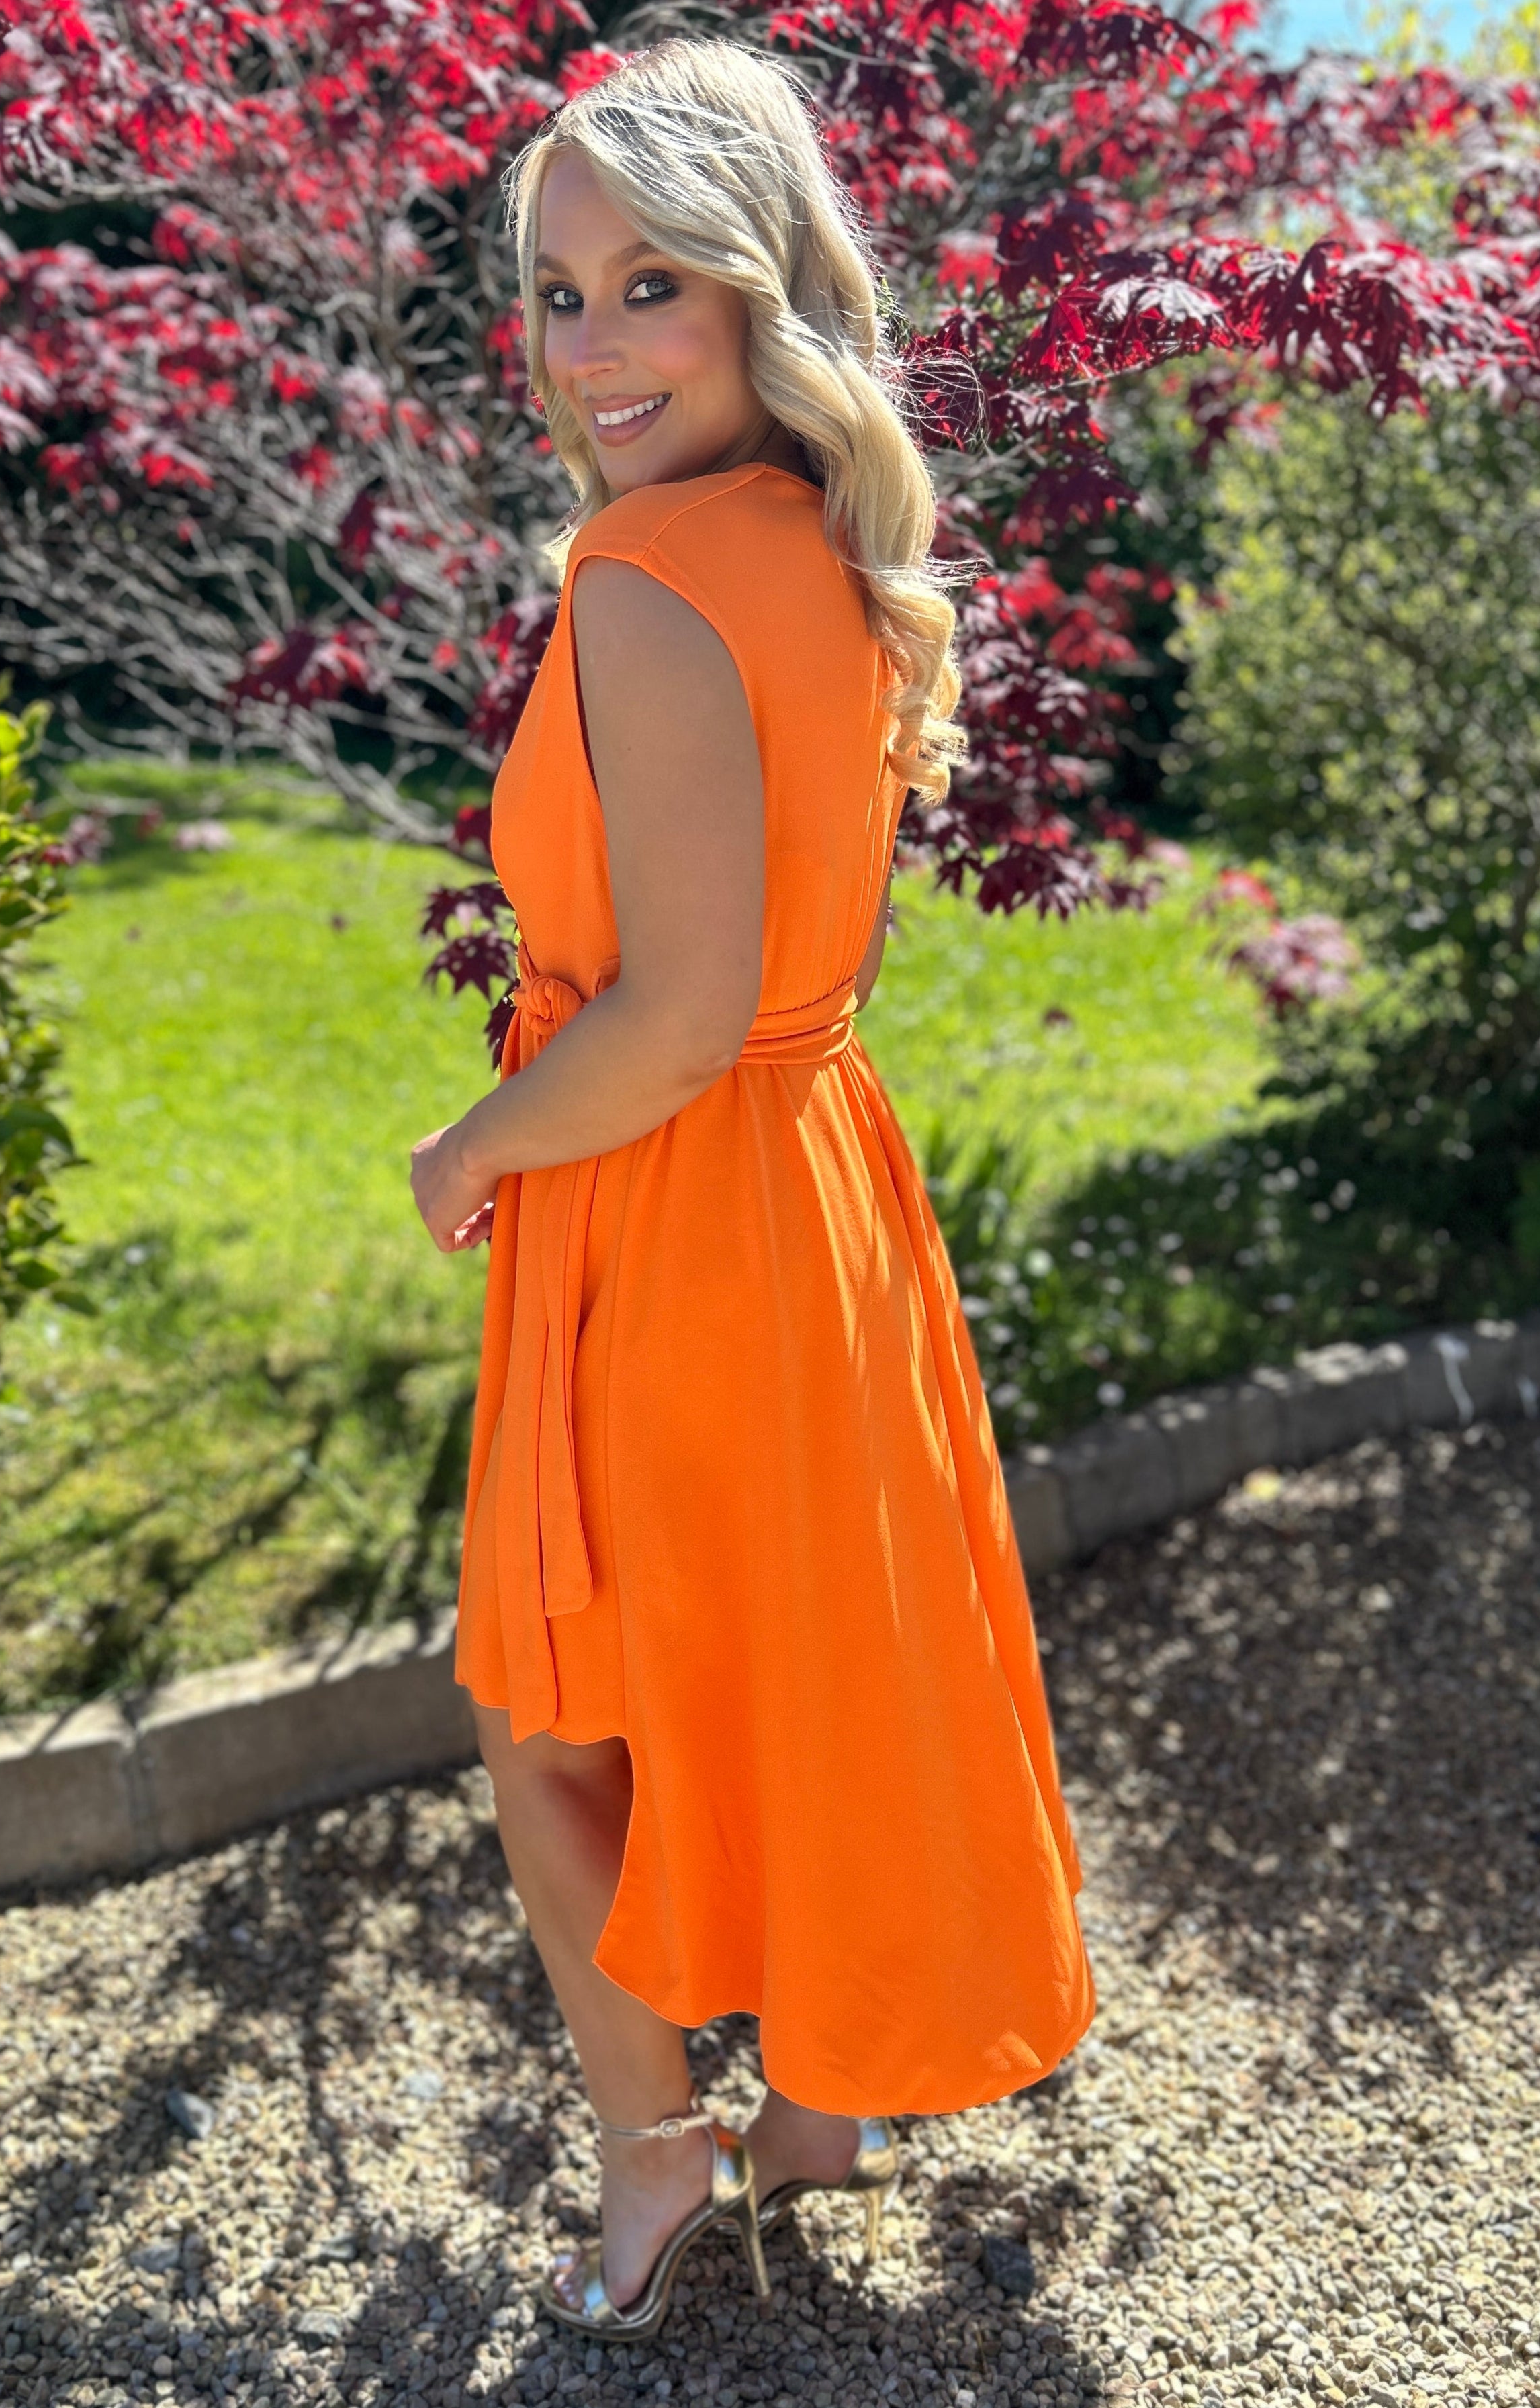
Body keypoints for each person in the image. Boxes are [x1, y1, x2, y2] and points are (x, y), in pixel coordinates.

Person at [408, 34, 1095, 2342]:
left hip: (672, 1189)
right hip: (812, 1181)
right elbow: (782, 975)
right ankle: (812, 2108)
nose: (591, 347)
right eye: (559, 291)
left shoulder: (641, 573)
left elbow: (678, 1008)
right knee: (784, 1665)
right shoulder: (831, 546)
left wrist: (469, 1147)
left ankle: (656, 2151)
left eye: (652, 287)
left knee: (547, 1715)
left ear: (758, 290)